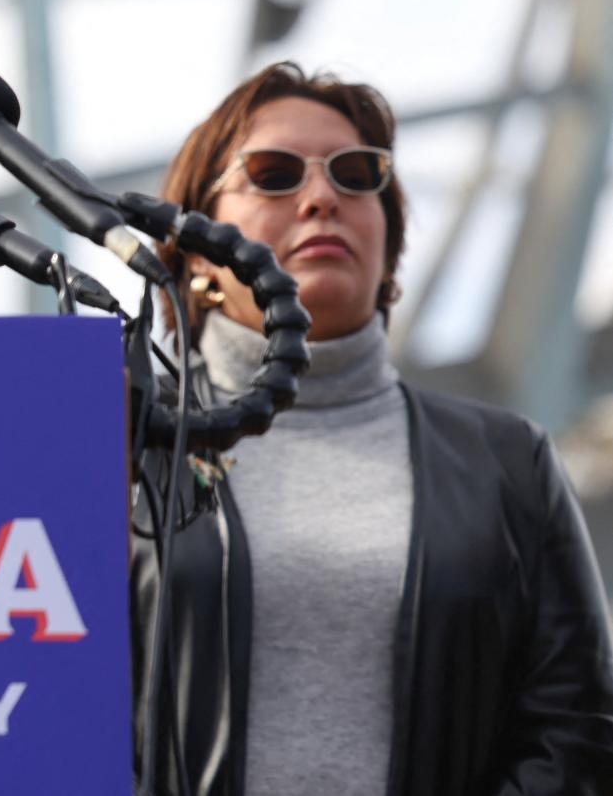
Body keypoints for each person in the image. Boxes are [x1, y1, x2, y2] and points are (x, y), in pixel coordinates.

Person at [131, 62, 613, 795]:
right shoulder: (115, 444)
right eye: (272, 174)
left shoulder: (508, 461)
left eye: (357, 175)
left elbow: (575, 728)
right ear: (196, 251)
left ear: (388, 241)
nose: (321, 197)